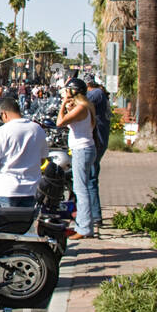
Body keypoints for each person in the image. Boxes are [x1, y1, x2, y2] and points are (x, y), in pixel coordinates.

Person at [0, 96, 48, 214]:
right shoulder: (37, 129)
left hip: (7, 190)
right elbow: (42, 160)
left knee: (1, 230)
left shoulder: (2, 131)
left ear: (4, 114)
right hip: (31, 189)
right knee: (24, 229)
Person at [58, 78, 98, 240]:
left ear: (73, 92)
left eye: (67, 91)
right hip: (84, 148)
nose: (65, 94)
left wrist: (63, 105)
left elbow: (60, 122)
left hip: (82, 150)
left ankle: (84, 228)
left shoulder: (82, 108)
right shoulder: (85, 107)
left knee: (81, 189)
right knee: (83, 187)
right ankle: (84, 224)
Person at [86, 77, 110, 230]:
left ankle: (95, 216)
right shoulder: (100, 94)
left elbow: (83, 100)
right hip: (99, 141)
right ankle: (87, 211)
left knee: (90, 178)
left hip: (97, 142)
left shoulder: (96, 93)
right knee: (89, 177)